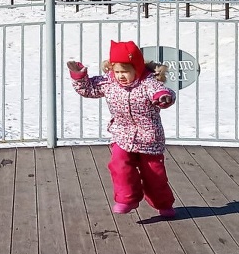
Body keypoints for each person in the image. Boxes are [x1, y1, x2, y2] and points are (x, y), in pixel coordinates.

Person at [67, 40, 177, 217]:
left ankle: (163, 203)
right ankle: (126, 199)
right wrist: (79, 75)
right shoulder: (110, 83)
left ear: (138, 68)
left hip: (149, 138)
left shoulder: (147, 83)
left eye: (125, 71)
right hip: (122, 134)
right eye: (117, 71)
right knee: (119, 165)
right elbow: (88, 89)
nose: (120, 76)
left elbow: (161, 92)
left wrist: (163, 98)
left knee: (154, 175)